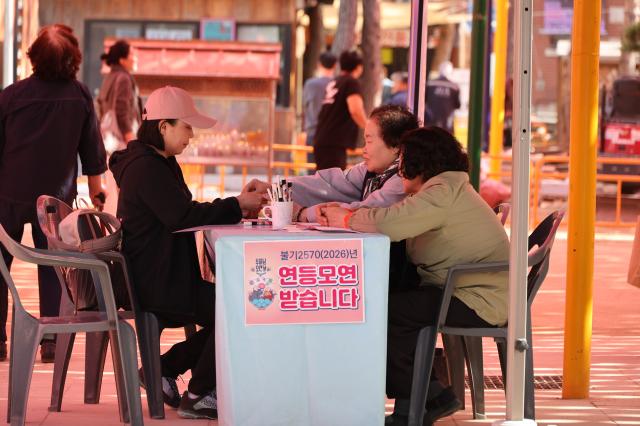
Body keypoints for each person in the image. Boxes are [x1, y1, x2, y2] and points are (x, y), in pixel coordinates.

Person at [320, 127, 509, 424]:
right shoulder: (447, 187)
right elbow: (401, 219)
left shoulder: (442, 192)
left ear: (419, 162)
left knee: (385, 312)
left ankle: (432, 397)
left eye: (404, 162)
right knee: (392, 303)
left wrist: (346, 219)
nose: (400, 171)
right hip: (464, 288)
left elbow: (395, 223)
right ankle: (415, 404)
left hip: (474, 298)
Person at [109, 86, 266, 419]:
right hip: (155, 281)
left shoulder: (160, 162)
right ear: (163, 126)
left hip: (164, 274)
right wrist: (237, 205)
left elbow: (183, 211)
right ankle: (198, 394)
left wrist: (235, 203)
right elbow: (182, 217)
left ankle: (166, 367)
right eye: (187, 126)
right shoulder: (146, 168)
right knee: (238, 309)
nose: (191, 135)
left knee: (237, 306)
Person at [0, 24, 107, 363]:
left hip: (8, 193)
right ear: (73, 60)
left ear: (34, 58)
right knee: (54, 266)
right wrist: (97, 192)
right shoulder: (79, 95)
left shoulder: (11, 95)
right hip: (53, 200)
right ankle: (50, 339)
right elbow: (91, 148)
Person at [97, 39, 142, 215]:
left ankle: (113, 227)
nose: (135, 58)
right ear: (123, 60)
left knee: (113, 188)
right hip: (123, 140)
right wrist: (130, 136)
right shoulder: (123, 78)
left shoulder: (109, 77)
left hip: (110, 141)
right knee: (126, 188)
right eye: (132, 54)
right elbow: (122, 108)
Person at [313, 50, 367, 170]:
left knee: (325, 182)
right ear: (358, 67)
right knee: (332, 184)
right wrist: (369, 128)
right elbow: (355, 110)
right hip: (333, 143)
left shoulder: (335, 81)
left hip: (322, 140)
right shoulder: (351, 82)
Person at [302, 51, 337, 160]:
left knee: (313, 170)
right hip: (333, 133)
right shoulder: (338, 84)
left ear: (319, 64)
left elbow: (305, 106)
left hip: (313, 131)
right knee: (331, 171)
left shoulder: (310, 84)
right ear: (335, 65)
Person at [425, 61, 461, 134]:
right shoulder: (454, 87)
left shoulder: (430, 83)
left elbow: (424, 100)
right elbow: (457, 105)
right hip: (447, 123)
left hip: (431, 120)